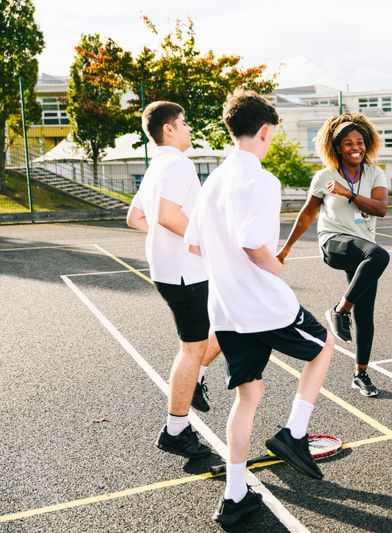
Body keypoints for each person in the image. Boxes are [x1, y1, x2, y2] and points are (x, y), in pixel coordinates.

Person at [185, 89, 334, 526]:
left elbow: (194, 245)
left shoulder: (213, 180)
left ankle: (234, 495)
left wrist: (227, 266)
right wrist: (276, 268)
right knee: (324, 347)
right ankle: (294, 434)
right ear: (265, 131)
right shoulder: (262, 180)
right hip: (264, 304)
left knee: (248, 395)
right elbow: (253, 243)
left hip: (227, 308)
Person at [126, 101, 221, 460]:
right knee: (193, 348)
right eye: (184, 123)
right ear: (168, 129)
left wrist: (168, 242)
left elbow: (136, 217)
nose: (189, 128)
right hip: (186, 273)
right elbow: (166, 216)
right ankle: (175, 431)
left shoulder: (157, 166)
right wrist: (204, 243)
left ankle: (195, 379)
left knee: (228, 322)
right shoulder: (178, 164)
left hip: (173, 271)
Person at [277, 112, 389, 397]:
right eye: (348, 143)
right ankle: (340, 310)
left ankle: (361, 374)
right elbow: (307, 214)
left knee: (366, 313)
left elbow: (380, 208)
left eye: (360, 142)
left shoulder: (374, 173)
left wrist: (348, 194)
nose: (356, 147)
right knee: (380, 256)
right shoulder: (324, 176)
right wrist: (285, 249)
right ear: (337, 148)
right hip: (334, 242)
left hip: (363, 247)